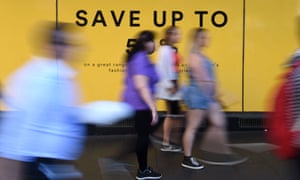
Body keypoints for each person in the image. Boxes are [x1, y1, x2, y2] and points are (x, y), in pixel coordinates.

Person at [0, 22, 86, 180]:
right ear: (50, 46)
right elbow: (25, 123)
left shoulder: (61, 75)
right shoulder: (41, 78)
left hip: (51, 159)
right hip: (39, 160)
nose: (73, 49)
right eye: (66, 44)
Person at [181, 28, 238, 169]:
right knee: (192, 127)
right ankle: (187, 158)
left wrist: (215, 95)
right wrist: (214, 96)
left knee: (218, 122)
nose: (207, 40)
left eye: (207, 37)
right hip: (198, 96)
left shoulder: (201, 55)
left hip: (206, 96)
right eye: (204, 37)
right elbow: (203, 79)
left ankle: (215, 149)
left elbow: (209, 79)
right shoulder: (194, 56)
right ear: (197, 39)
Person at [122, 30, 162, 180]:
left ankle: (135, 163)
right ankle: (143, 170)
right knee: (143, 136)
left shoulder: (139, 57)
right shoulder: (140, 59)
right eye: (154, 41)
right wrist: (153, 108)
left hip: (139, 103)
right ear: (147, 43)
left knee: (143, 135)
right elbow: (141, 85)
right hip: (141, 104)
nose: (156, 45)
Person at [156, 26, 183, 152]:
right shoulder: (164, 50)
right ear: (169, 36)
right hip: (170, 87)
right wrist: (170, 85)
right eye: (176, 34)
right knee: (172, 114)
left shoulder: (172, 49)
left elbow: (174, 68)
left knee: (174, 114)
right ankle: (166, 141)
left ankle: (169, 141)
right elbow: (162, 69)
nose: (179, 36)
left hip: (174, 85)